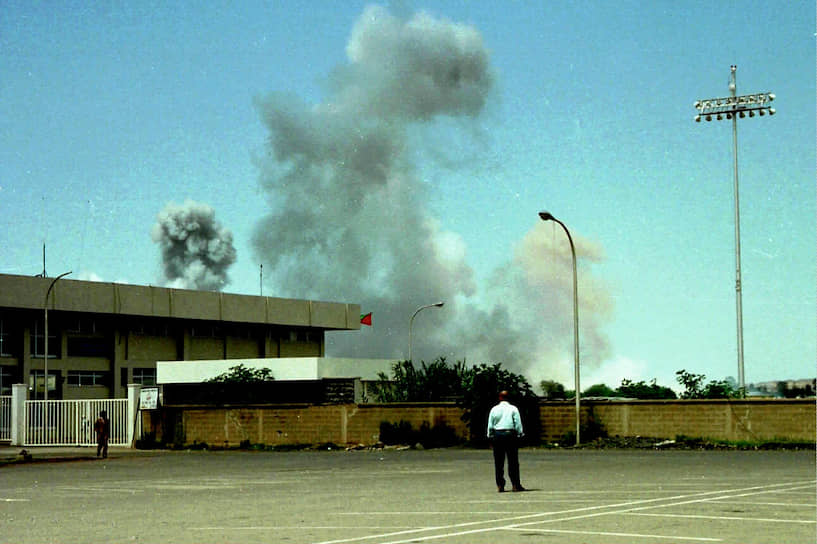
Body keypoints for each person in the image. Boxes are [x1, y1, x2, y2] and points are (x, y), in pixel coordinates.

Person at [487, 390, 525, 492]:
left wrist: (490, 436)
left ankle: (500, 485)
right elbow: (518, 423)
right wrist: (520, 434)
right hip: (510, 435)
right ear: (509, 398)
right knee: (513, 461)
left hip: (498, 435)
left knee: (499, 462)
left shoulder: (494, 409)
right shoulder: (513, 409)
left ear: (500, 398)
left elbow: (490, 425)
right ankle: (515, 485)